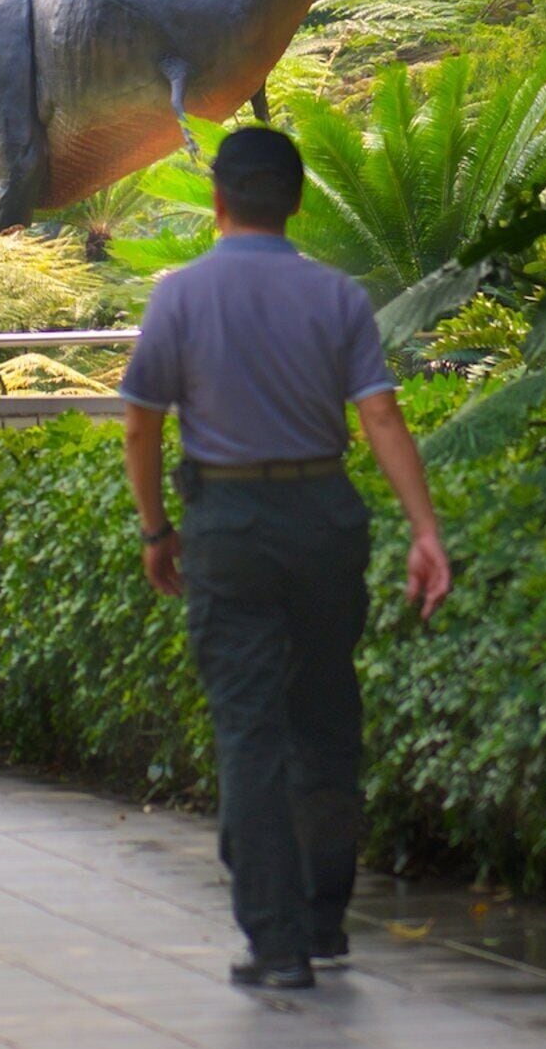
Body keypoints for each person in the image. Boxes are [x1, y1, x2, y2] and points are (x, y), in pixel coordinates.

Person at [117, 125, 455, 992]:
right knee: (325, 716)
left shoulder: (180, 297)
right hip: (324, 518)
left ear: (220, 202)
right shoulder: (337, 297)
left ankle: (276, 943)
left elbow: (141, 421)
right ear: (297, 203)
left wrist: (157, 530)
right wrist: (425, 531)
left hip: (229, 523)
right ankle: (322, 919)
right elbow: (381, 417)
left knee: (250, 728)